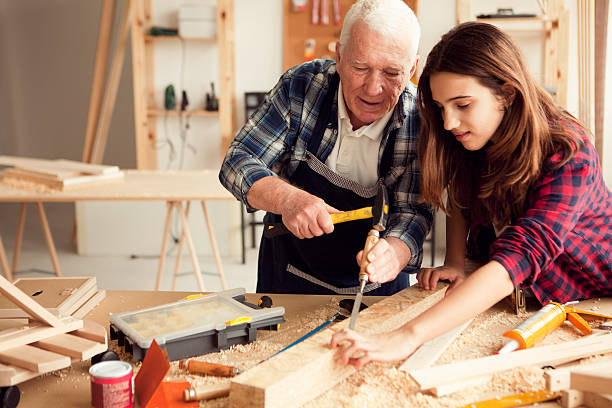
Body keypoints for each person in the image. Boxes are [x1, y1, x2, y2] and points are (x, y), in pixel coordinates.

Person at [330, 21, 612, 368]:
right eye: (441, 106)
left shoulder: (568, 150)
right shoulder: (472, 134)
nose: (448, 122)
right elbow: (460, 197)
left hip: (588, 292)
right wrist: (456, 262)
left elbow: (522, 254)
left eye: (462, 105)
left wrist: (407, 336)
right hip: (515, 290)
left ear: (507, 94)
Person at [219, 0, 432, 295]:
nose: (373, 88)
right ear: (340, 56)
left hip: (373, 289)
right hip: (288, 276)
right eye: (360, 67)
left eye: (392, 73)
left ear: (412, 68)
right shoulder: (302, 86)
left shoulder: (420, 120)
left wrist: (395, 253)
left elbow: (412, 210)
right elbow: (238, 162)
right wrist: (289, 200)